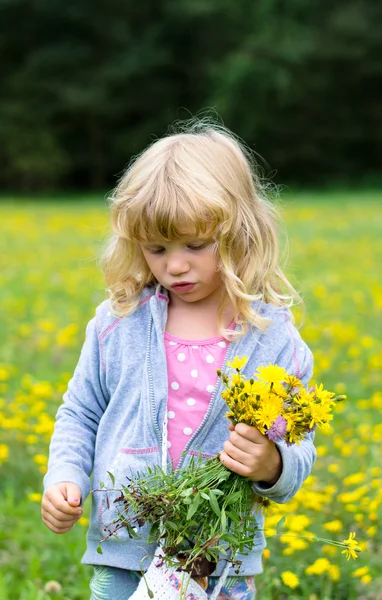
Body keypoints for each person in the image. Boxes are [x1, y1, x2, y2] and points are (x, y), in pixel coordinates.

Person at [41, 119, 316, 600]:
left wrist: (272, 464)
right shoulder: (118, 323)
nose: (175, 265)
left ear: (240, 232)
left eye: (195, 245)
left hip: (219, 563)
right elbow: (80, 411)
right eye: (157, 248)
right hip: (125, 551)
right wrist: (65, 475)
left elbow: (301, 443)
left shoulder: (275, 341)